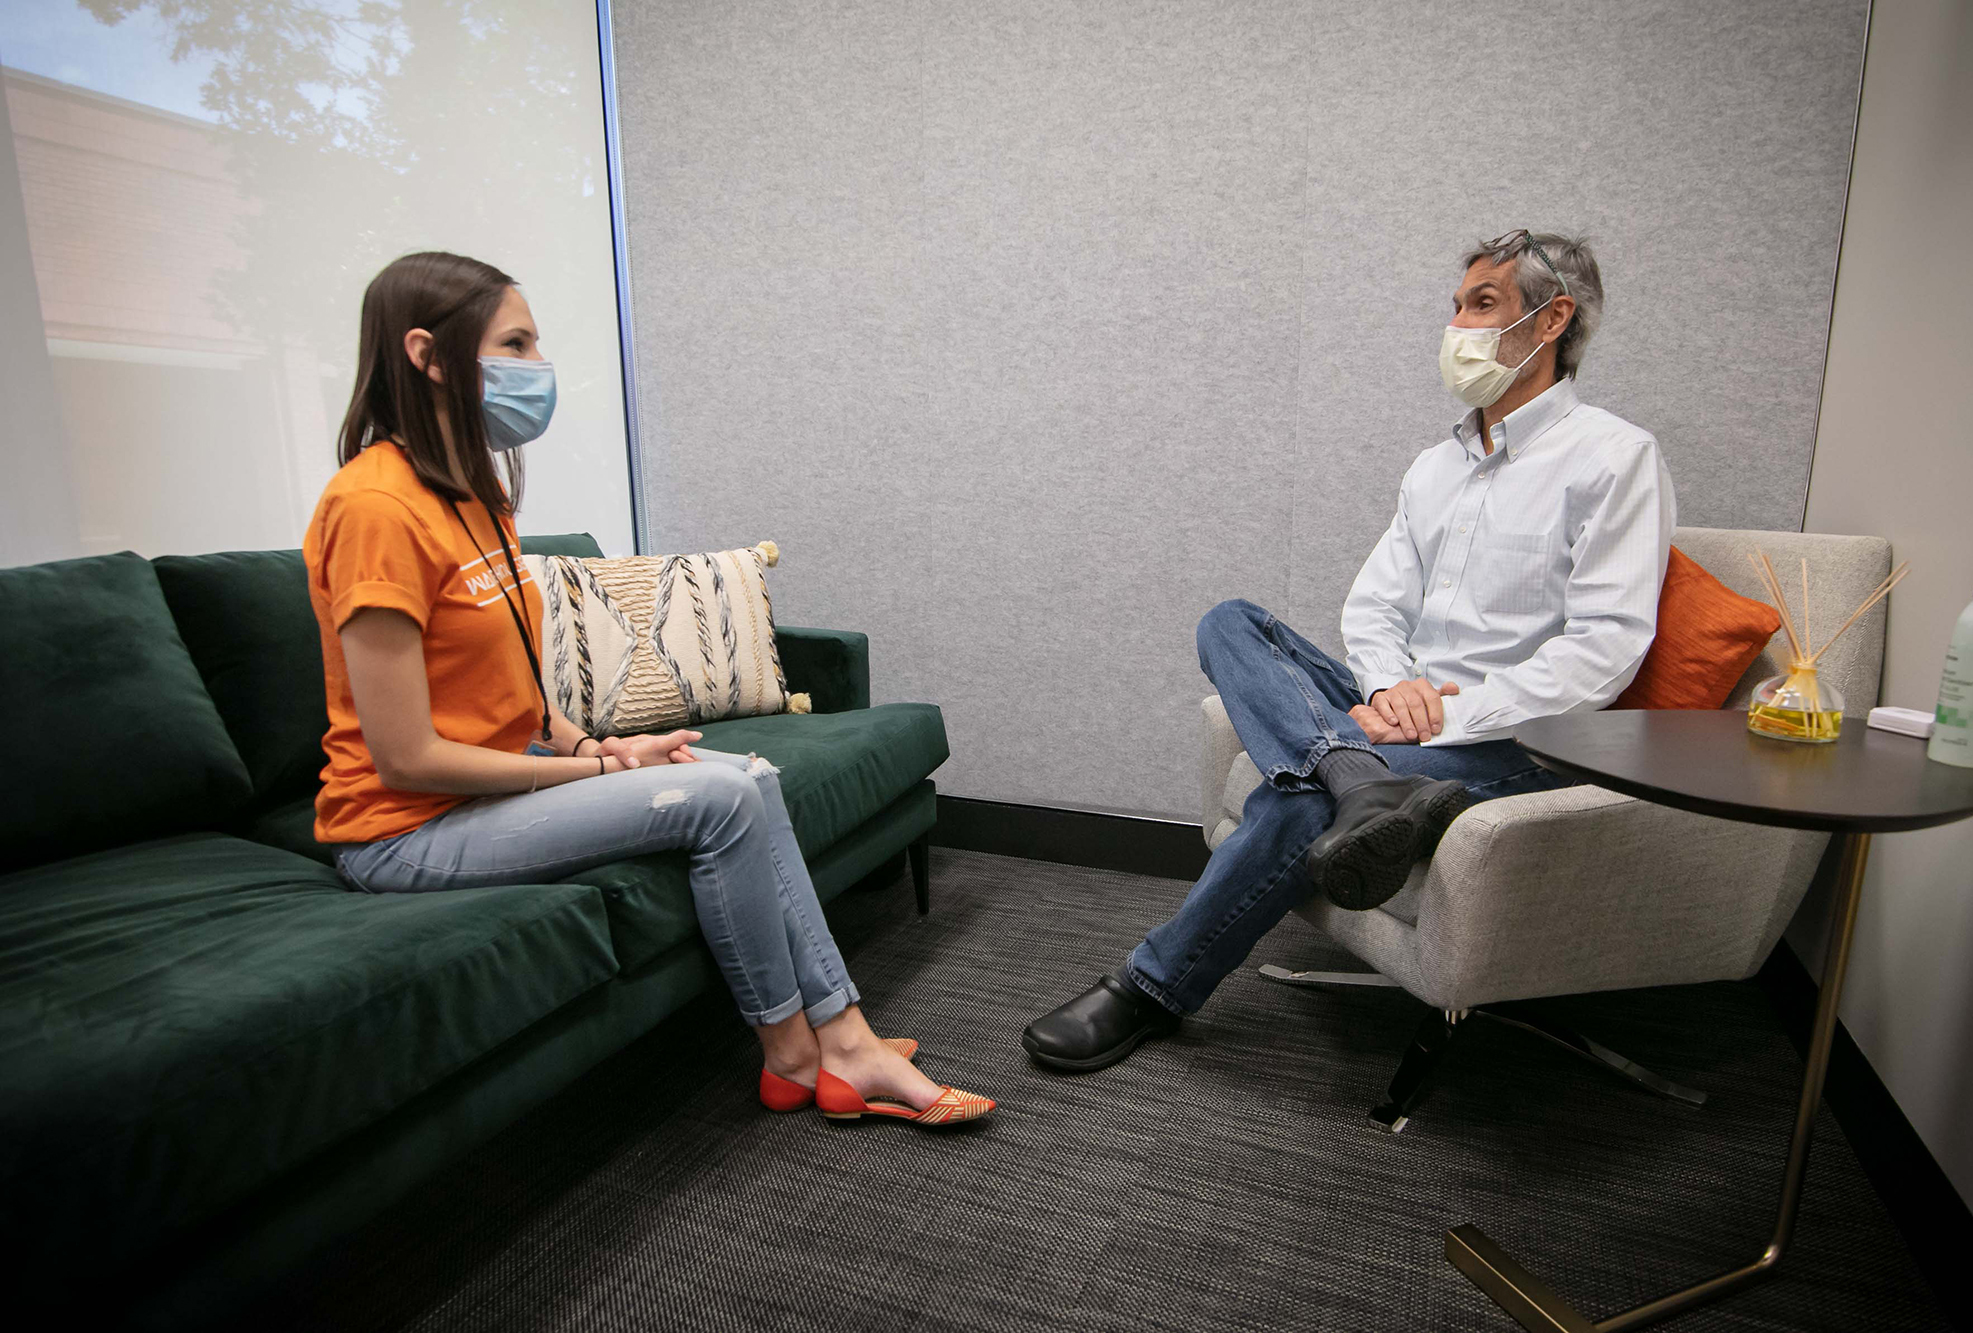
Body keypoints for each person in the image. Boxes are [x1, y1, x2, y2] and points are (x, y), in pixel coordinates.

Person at [307, 251, 992, 1128]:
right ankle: (803, 1052)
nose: (536, 366)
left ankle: (831, 1044)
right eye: (514, 343)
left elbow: (510, 679)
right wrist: (600, 778)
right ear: (428, 355)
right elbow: (407, 756)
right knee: (718, 799)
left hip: (488, 785)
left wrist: (595, 744)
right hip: (405, 831)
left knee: (748, 775)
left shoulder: (474, 495)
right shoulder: (370, 510)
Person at [1024, 230, 1676, 1072]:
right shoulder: (1434, 467)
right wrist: (1394, 687)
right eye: (1455, 307)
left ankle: (1149, 986)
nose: (1458, 326)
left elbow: (1604, 651)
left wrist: (1444, 709)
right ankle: (1358, 775)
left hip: (1514, 736)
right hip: (1395, 713)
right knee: (1232, 621)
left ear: (1551, 320)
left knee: (1299, 802)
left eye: (1483, 305)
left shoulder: (1616, 459)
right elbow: (1375, 605)